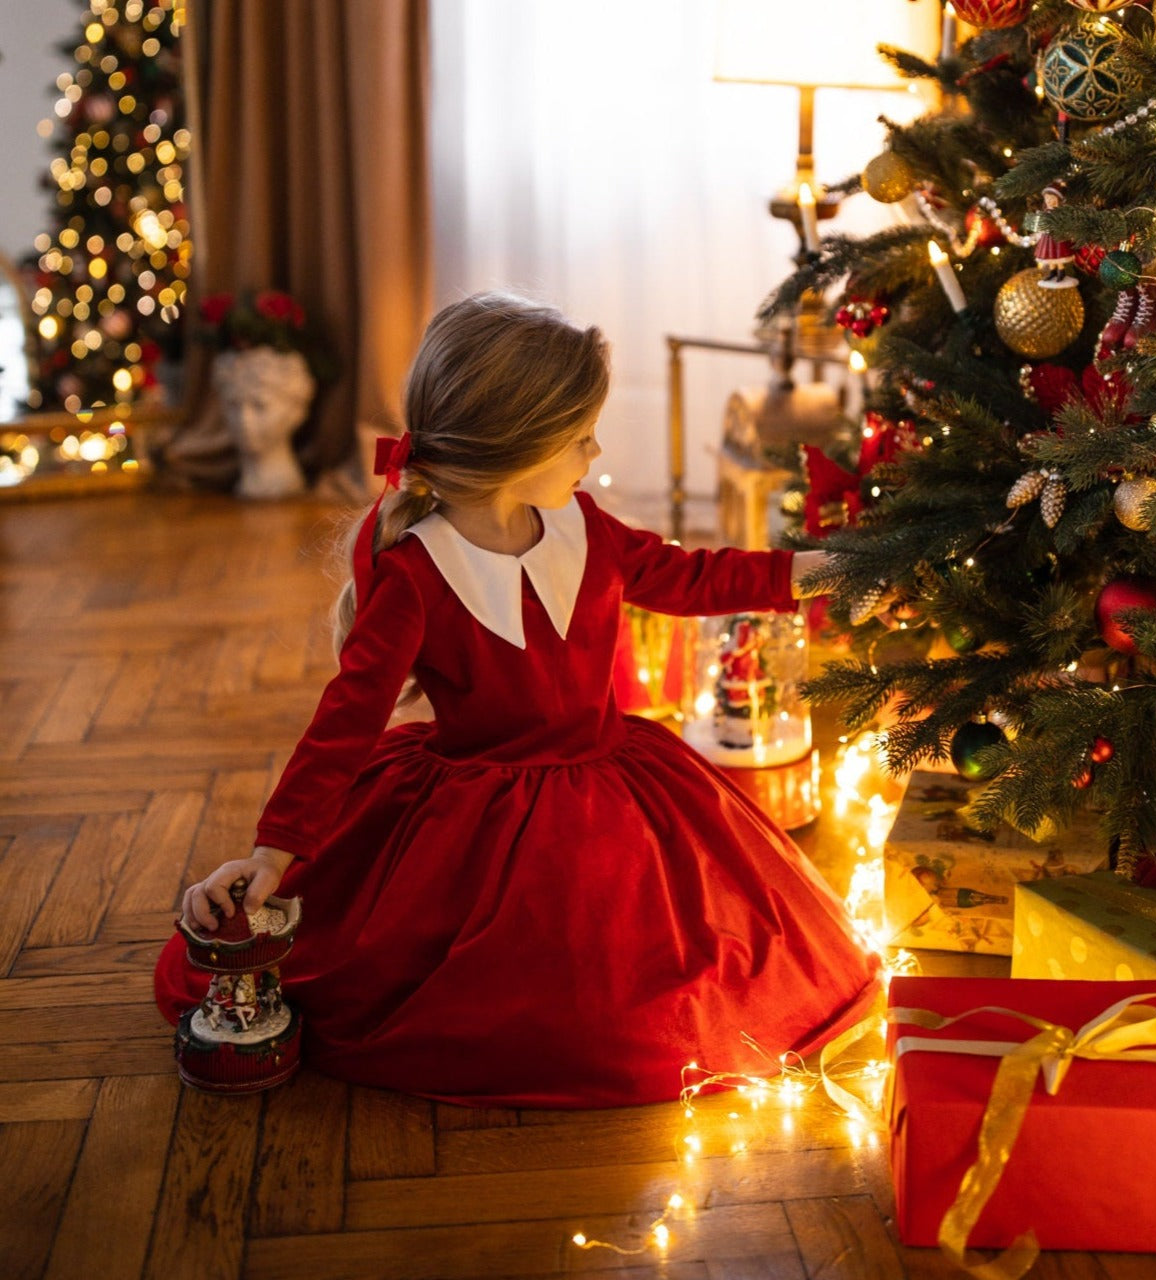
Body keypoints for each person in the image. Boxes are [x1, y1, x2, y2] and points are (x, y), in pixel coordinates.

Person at [154, 293, 880, 1108]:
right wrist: (273, 852)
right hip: (474, 814)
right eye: (579, 438)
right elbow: (345, 724)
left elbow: (691, 577)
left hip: (612, 784)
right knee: (555, 1005)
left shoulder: (583, 526)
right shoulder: (417, 575)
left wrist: (810, 570)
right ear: (513, 448)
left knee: (698, 956)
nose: (595, 450)